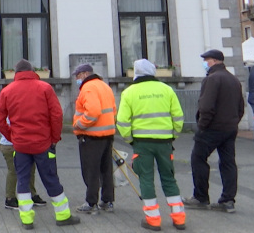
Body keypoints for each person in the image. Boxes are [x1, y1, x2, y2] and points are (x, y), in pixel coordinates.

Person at [0, 59, 80, 229]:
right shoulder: (45, 88)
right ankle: (63, 215)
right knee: (50, 178)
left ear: (16, 73)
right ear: (33, 71)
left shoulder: (7, 91)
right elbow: (56, 115)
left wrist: (11, 136)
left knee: (23, 180)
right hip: (43, 143)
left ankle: (27, 219)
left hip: (20, 145)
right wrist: (54, 138)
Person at [116, 59, 185, 231]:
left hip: (142, 143)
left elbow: (122, 122)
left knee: (146, 179)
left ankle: (153, 220)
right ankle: (179, 219)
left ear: (136, 72)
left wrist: (130, 140)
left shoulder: (129, 92)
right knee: (169, 178)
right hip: (165, 142)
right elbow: (178, 117)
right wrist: (173, 136)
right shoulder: (167, 90)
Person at [183, 49, 244, 213]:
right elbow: (240, 107)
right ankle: (228, 200)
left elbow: (206, 106)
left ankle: (201, 197)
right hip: (230, 127)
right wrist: (233, 121)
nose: (205, 63)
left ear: (215, 61)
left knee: (198, 158)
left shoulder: (212, 79)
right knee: (228, 162)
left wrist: (202, 126)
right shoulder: (233, 79)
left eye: (207, 60)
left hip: (212, 128)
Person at [72, 63, 116, 214]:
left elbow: (93, 112)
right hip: (107, 134)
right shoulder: (104, 86)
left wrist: (79, 124)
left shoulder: (88, 88)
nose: (77, 79)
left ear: (84, 74)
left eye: (77, 76)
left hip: (91, 136)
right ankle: (107, 201)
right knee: (106, 169)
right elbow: (113, 110)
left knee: (91, 171)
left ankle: (91, 203)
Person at [0, 120, 47, 210]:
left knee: (31, 169)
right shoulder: (10, 108)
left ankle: (32, 194)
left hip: (25, 143)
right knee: (14, 170)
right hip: (10, 145)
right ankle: (10, 198)